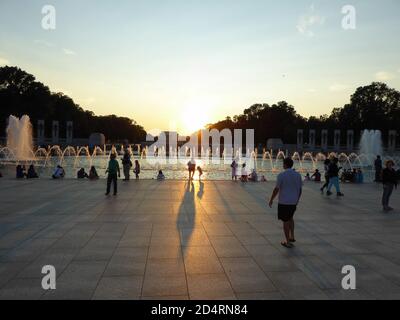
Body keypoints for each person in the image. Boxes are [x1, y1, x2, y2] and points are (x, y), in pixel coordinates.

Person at [268, 158, 302, 248]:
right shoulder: (298, 175)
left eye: (283, 164)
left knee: (285, 221)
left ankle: (287, 242)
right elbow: (300, 190)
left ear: (285, 164)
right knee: (290, 217)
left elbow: (276, 189)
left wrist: (271, 199)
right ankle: (292, 236)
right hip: (293, 202)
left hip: (284, 202)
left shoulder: (281, 175)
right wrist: (297, 200)